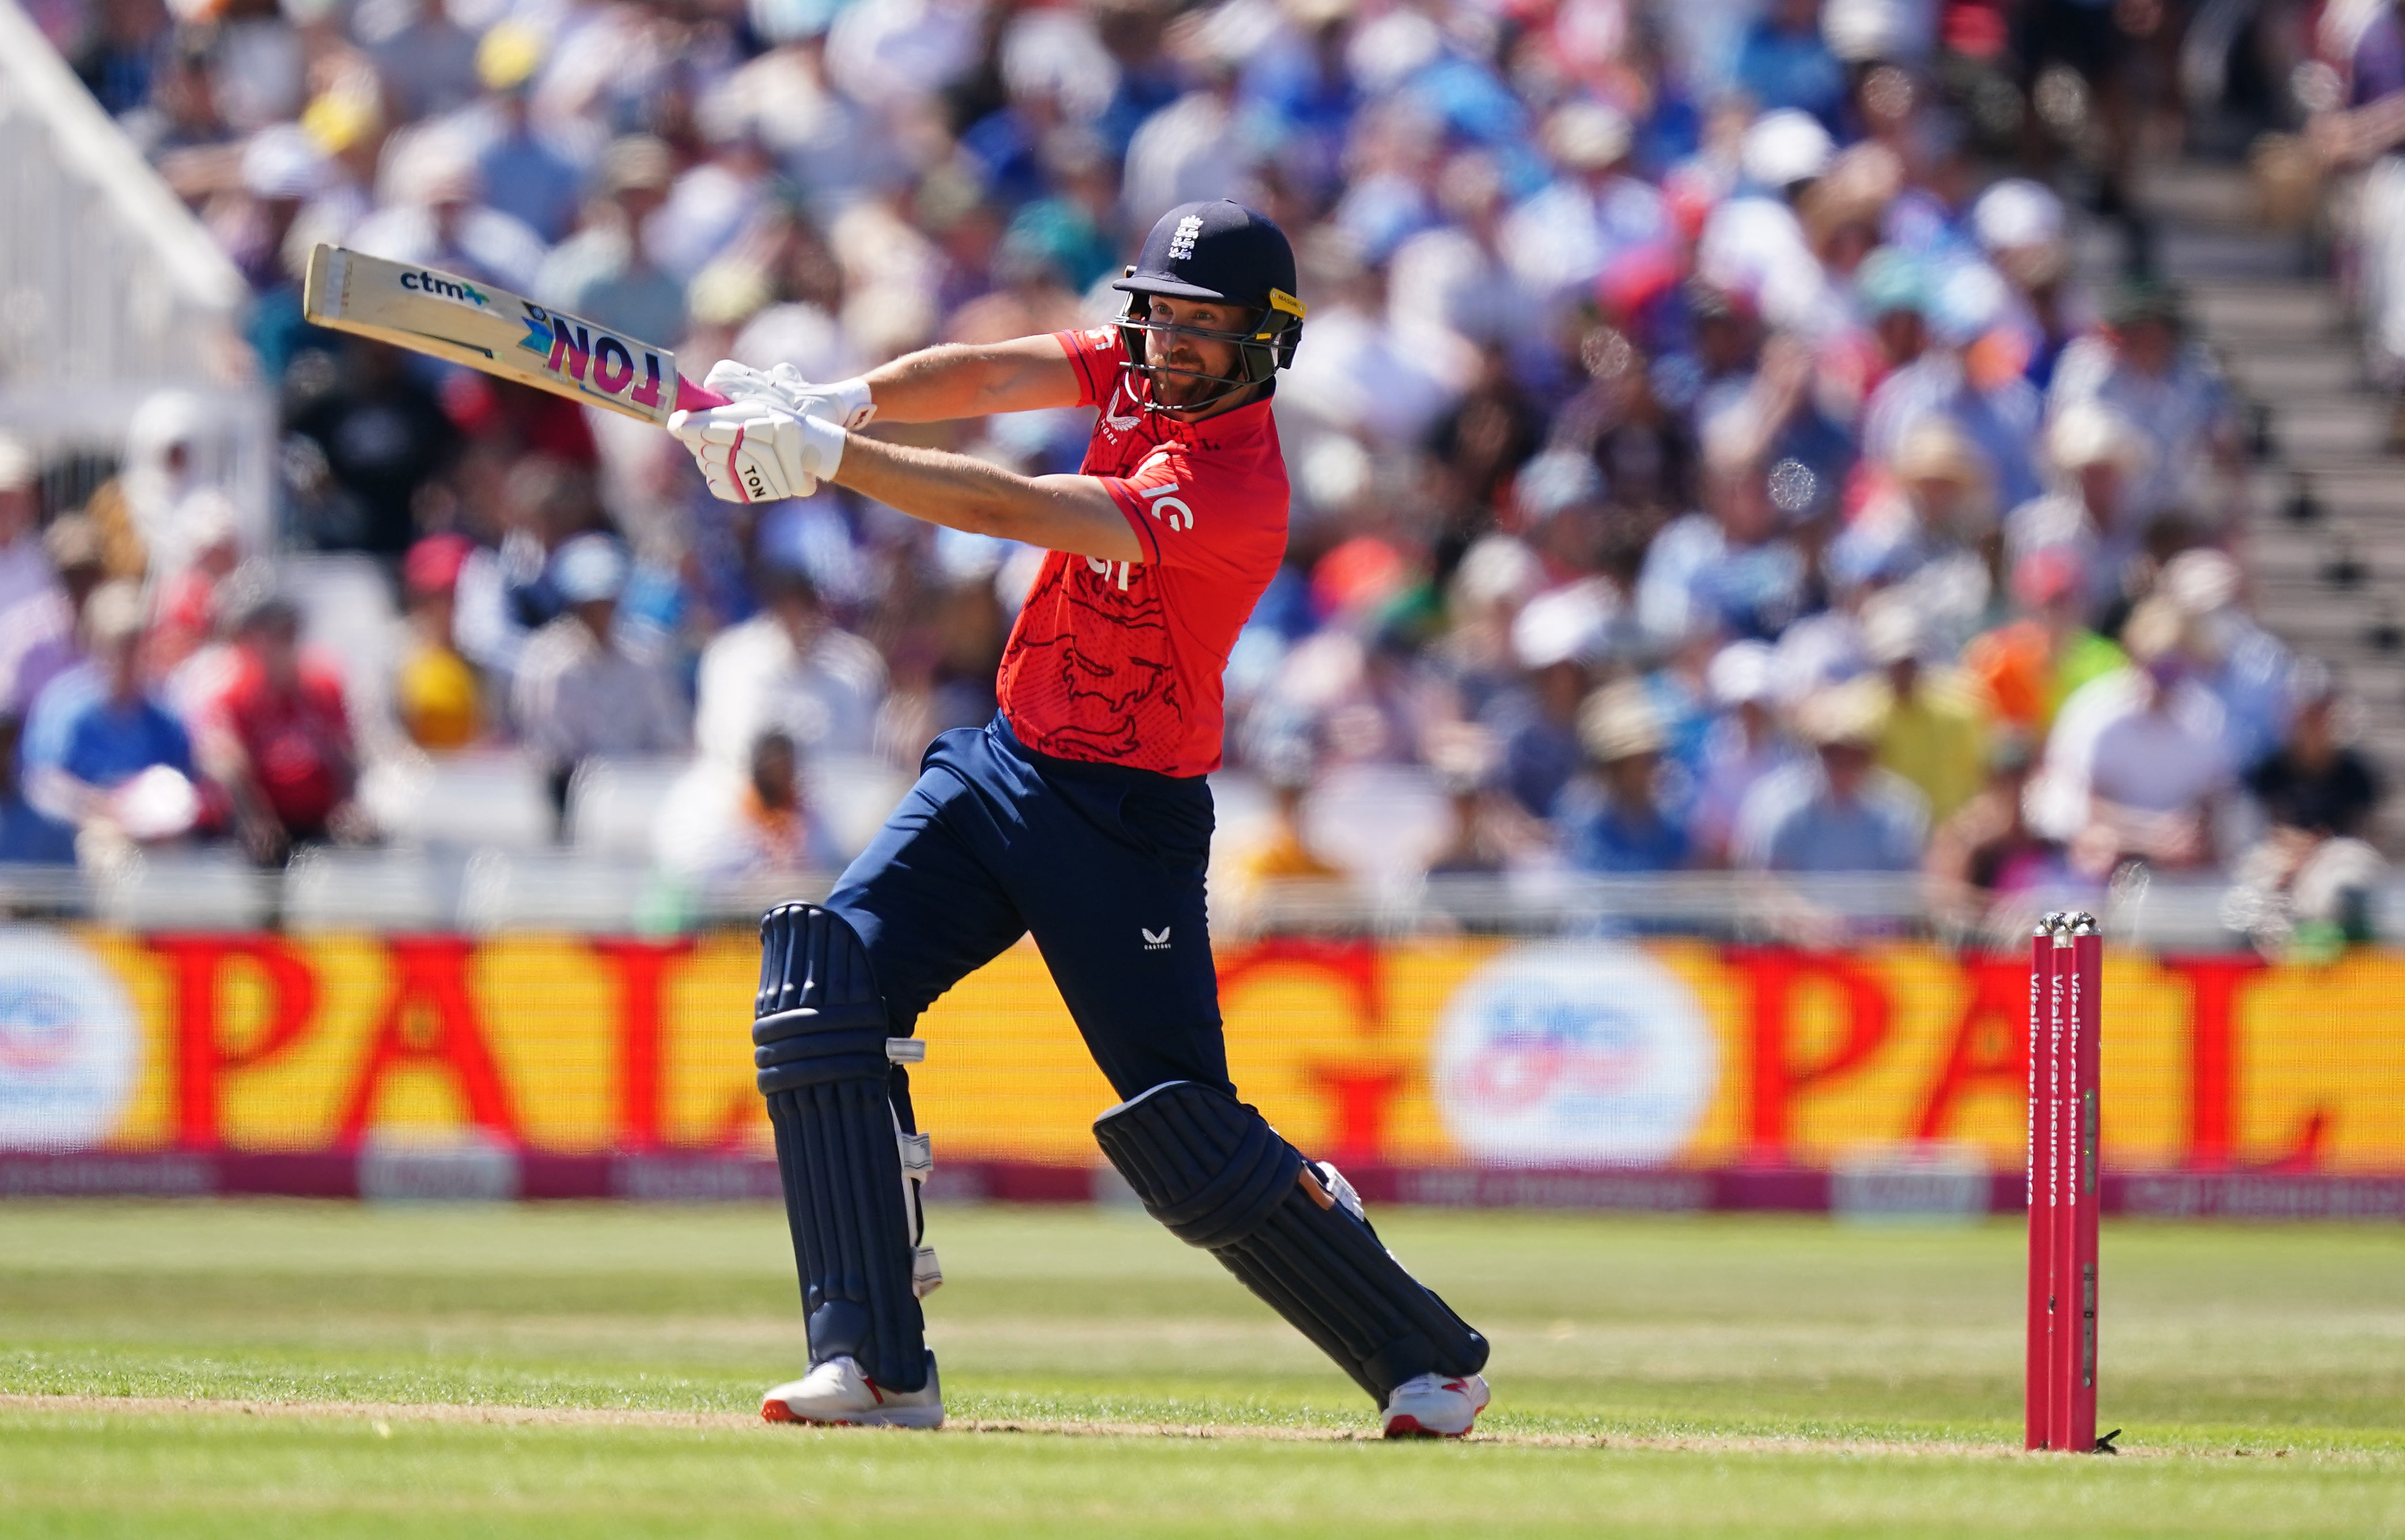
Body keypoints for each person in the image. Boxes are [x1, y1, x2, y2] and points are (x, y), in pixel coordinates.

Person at [669, 201, 1490, 1438]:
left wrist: (830, 458)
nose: (1168, 345)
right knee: (821, 986)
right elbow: (1000, 369)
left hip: (1124, 819)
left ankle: (1426, 1354)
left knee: (1182, 1132)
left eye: (1203, 328)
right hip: (1001, 760)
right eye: (1158, 315)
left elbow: (1029, 510)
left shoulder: (1233, 486)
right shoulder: (1140, 374)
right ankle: (876, 1362)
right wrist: (840, 397)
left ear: (1264, 344)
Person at [510, 534, 689, 836]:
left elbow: (670, 735)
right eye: (589, 604)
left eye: (607, 601)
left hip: (640, 800)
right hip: (567, 807)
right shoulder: (546, 663)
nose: (600, 613)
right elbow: (546, 752)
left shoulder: (645, 657)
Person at [20, 582, 204, 863]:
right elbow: (44, 784)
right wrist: (104, 808)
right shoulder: (64, 706)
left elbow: (187, 778)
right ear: (94, 645)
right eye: (117, 647)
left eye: (134, 647)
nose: (126, 659)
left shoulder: (163, 711)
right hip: (80, 836)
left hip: (157, 838)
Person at [196, 589, 371, 866]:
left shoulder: (323, 685)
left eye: (289, 634)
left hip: (320, 816)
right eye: (273, 635)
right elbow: (227, 766)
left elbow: (347, 753)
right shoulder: (233, 693)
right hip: (261, 819)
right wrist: (256, 820)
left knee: (365, 840)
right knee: (260, 849)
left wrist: (348, 805)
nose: (282, 645)